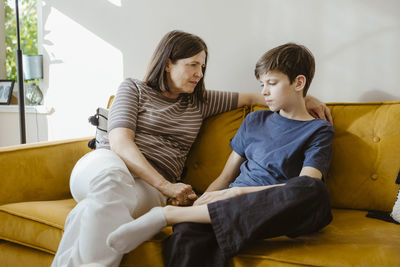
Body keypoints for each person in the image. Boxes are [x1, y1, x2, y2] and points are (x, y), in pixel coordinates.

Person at [51, 31, 332, 267]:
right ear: (168, 63)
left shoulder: (201, 101)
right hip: (110, 165)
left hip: (157, 193)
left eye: (203, 67)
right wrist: (173, 188)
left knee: (90, 211)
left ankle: (169, 216)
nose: (200, 74)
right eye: (193, 65)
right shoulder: (133, 88)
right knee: (113, 185)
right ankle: (170, 216)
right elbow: (120, 142)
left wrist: (306, 97)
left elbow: (258, 96)